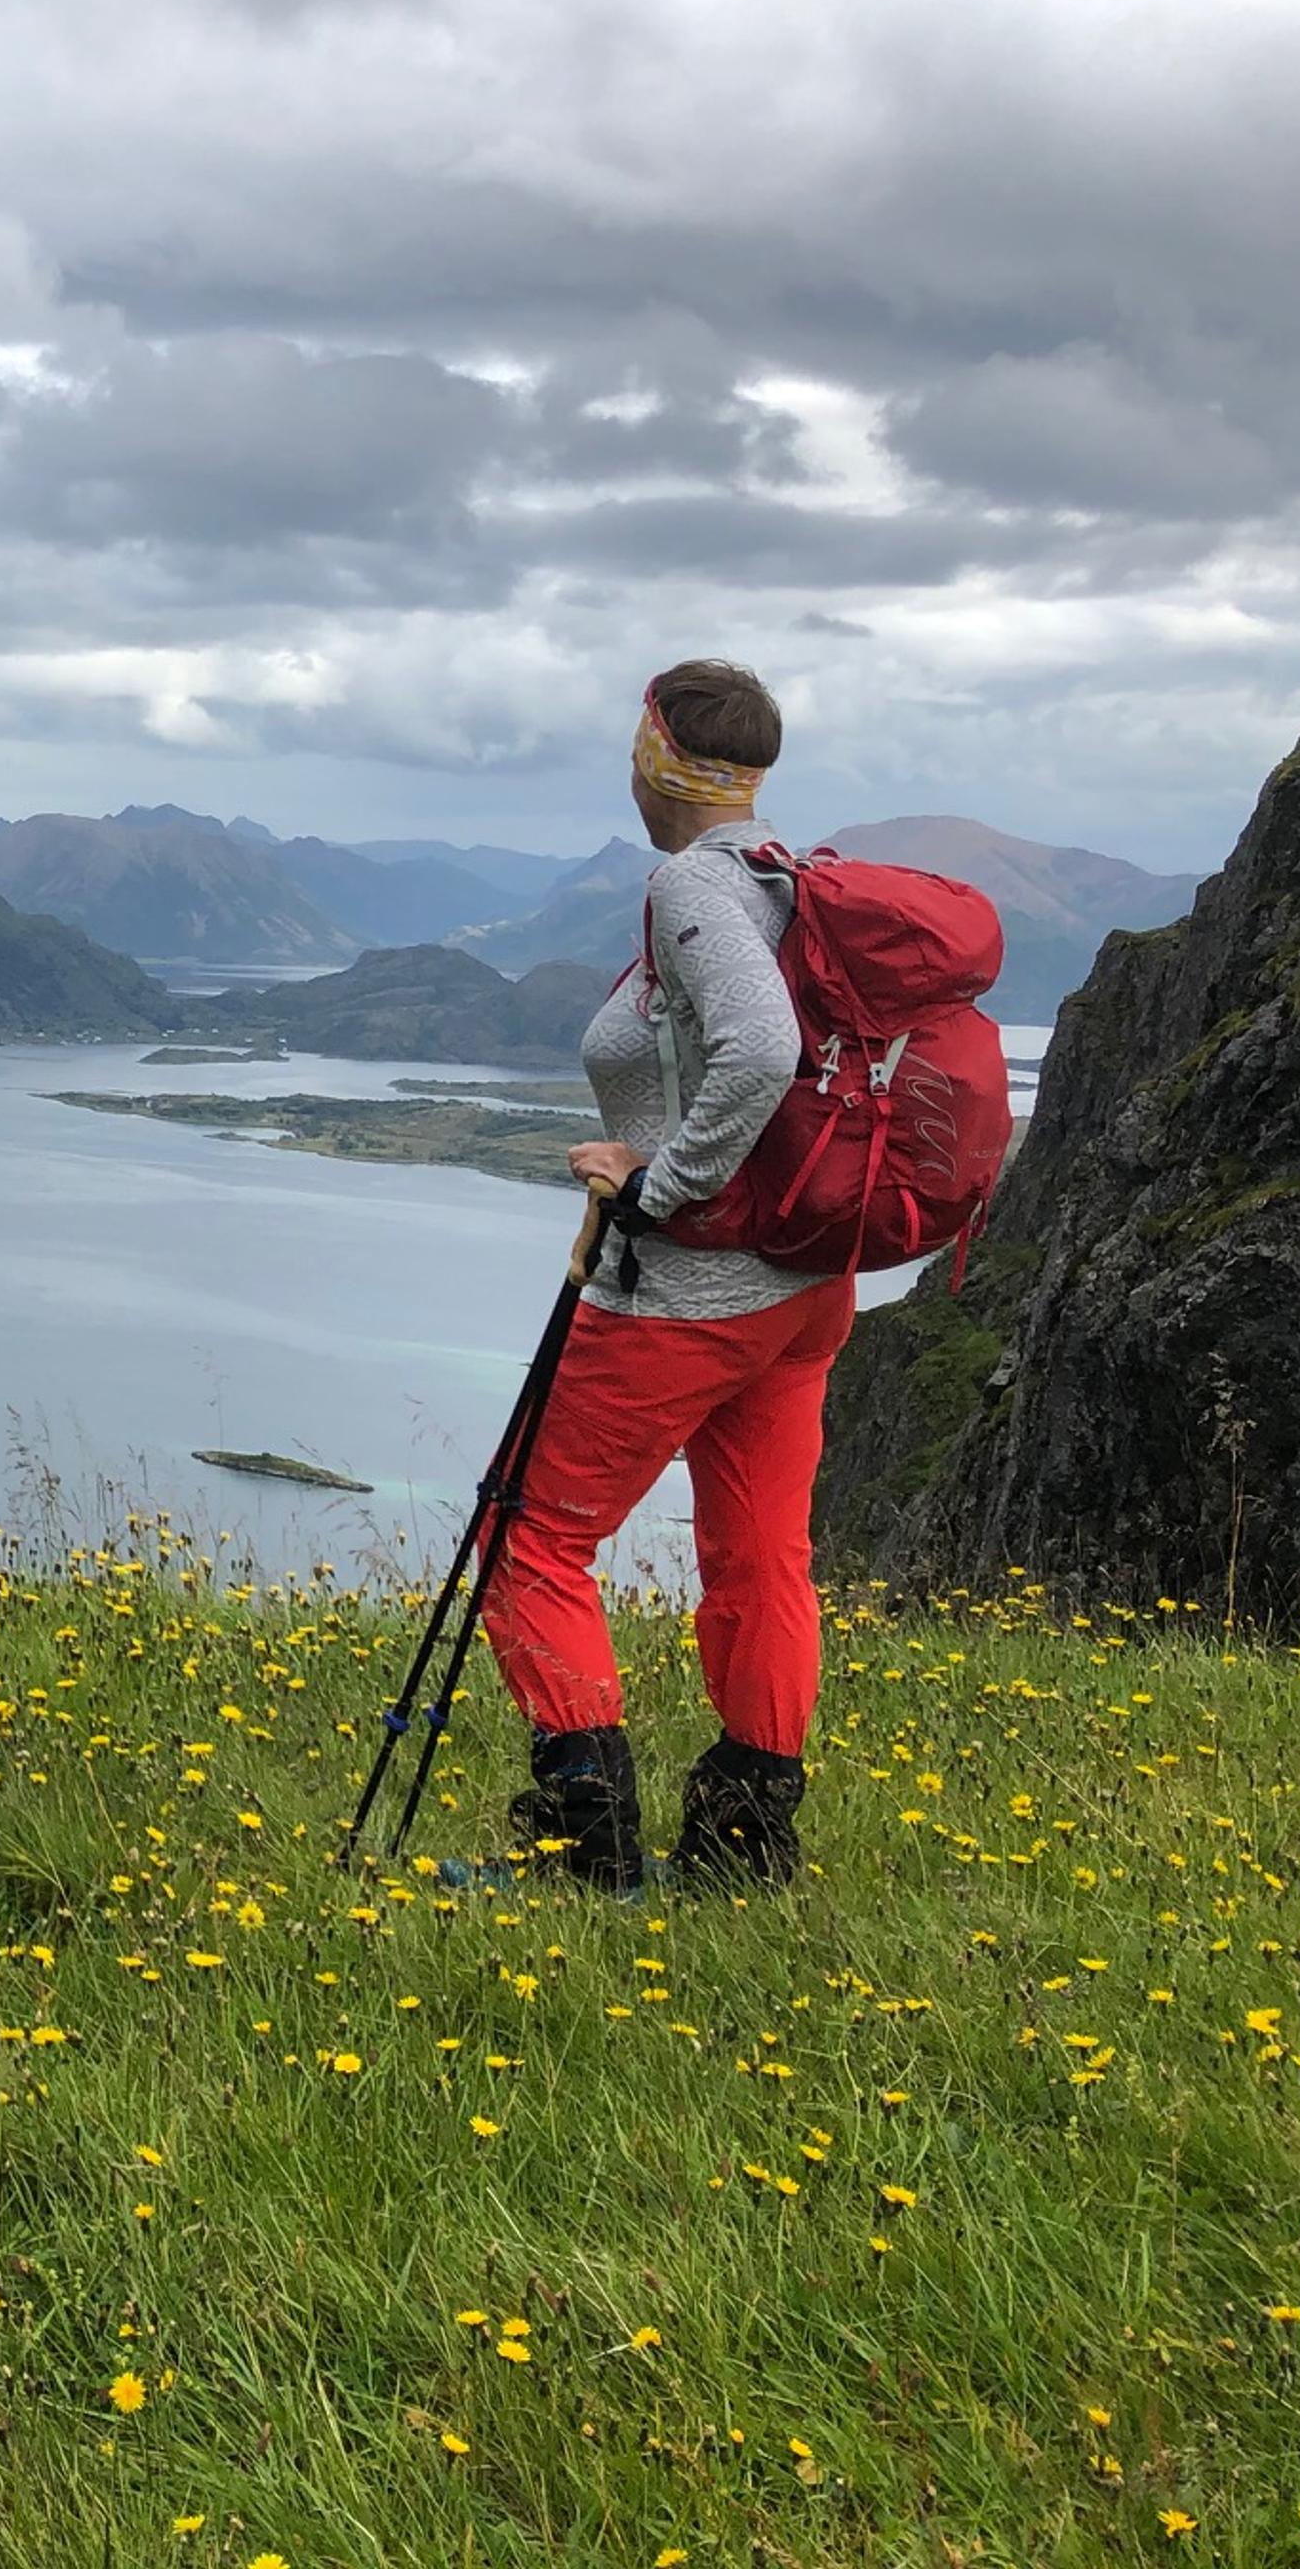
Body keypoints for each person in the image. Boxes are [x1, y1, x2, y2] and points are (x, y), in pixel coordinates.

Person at [477, 659, 844, 1893]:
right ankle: (745, 1850)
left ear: (653, 760)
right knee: (762, 1557)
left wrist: (660, 1186)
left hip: (689, 1296)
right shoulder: (786, 878)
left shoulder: (694, 881)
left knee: (527, 1537)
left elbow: (760, 1051)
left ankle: (590, 1851)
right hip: (799, 1291)